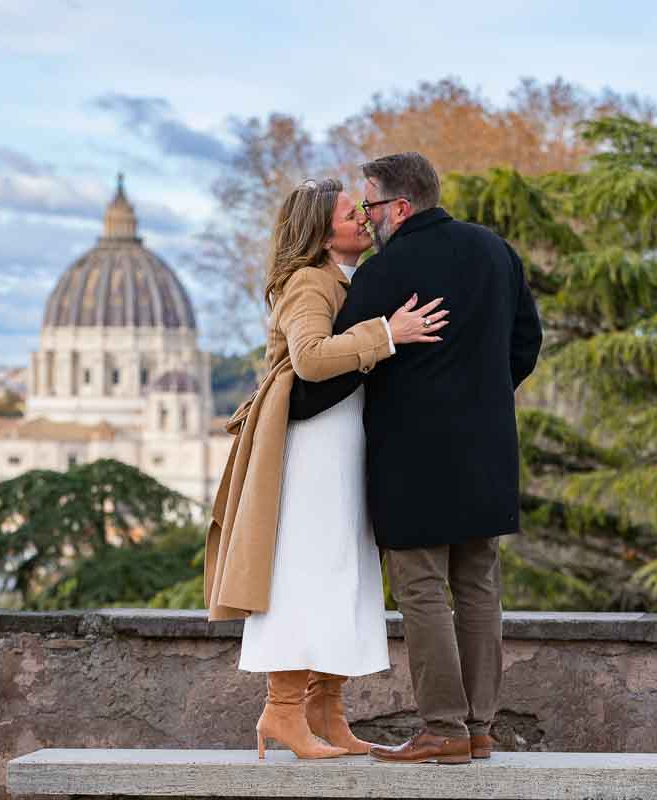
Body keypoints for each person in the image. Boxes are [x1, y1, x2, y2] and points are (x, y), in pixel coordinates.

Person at [289, 152, 542, 765]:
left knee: (423, 592)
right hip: (487, 451)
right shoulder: (495, 252)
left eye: (370, 206)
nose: (368, 220)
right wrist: (481, 395)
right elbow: (526, 342)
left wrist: (285, 406)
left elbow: (328, 373)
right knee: (479, 587)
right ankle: (479, 729)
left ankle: (442, 729)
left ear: (400, 207)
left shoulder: (385, 271)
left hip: (412, 458)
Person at [204, 177, 449, 760]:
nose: (364, 218)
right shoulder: (308, 282)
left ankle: (325, 710)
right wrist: (389, 333)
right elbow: (311, 360)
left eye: (362, 210)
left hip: (342, 444)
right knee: (307, 572)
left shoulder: (344, 279)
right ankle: (282, 712)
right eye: (349, 213)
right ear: (319, 229)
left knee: (344, 571)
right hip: (312, 448)